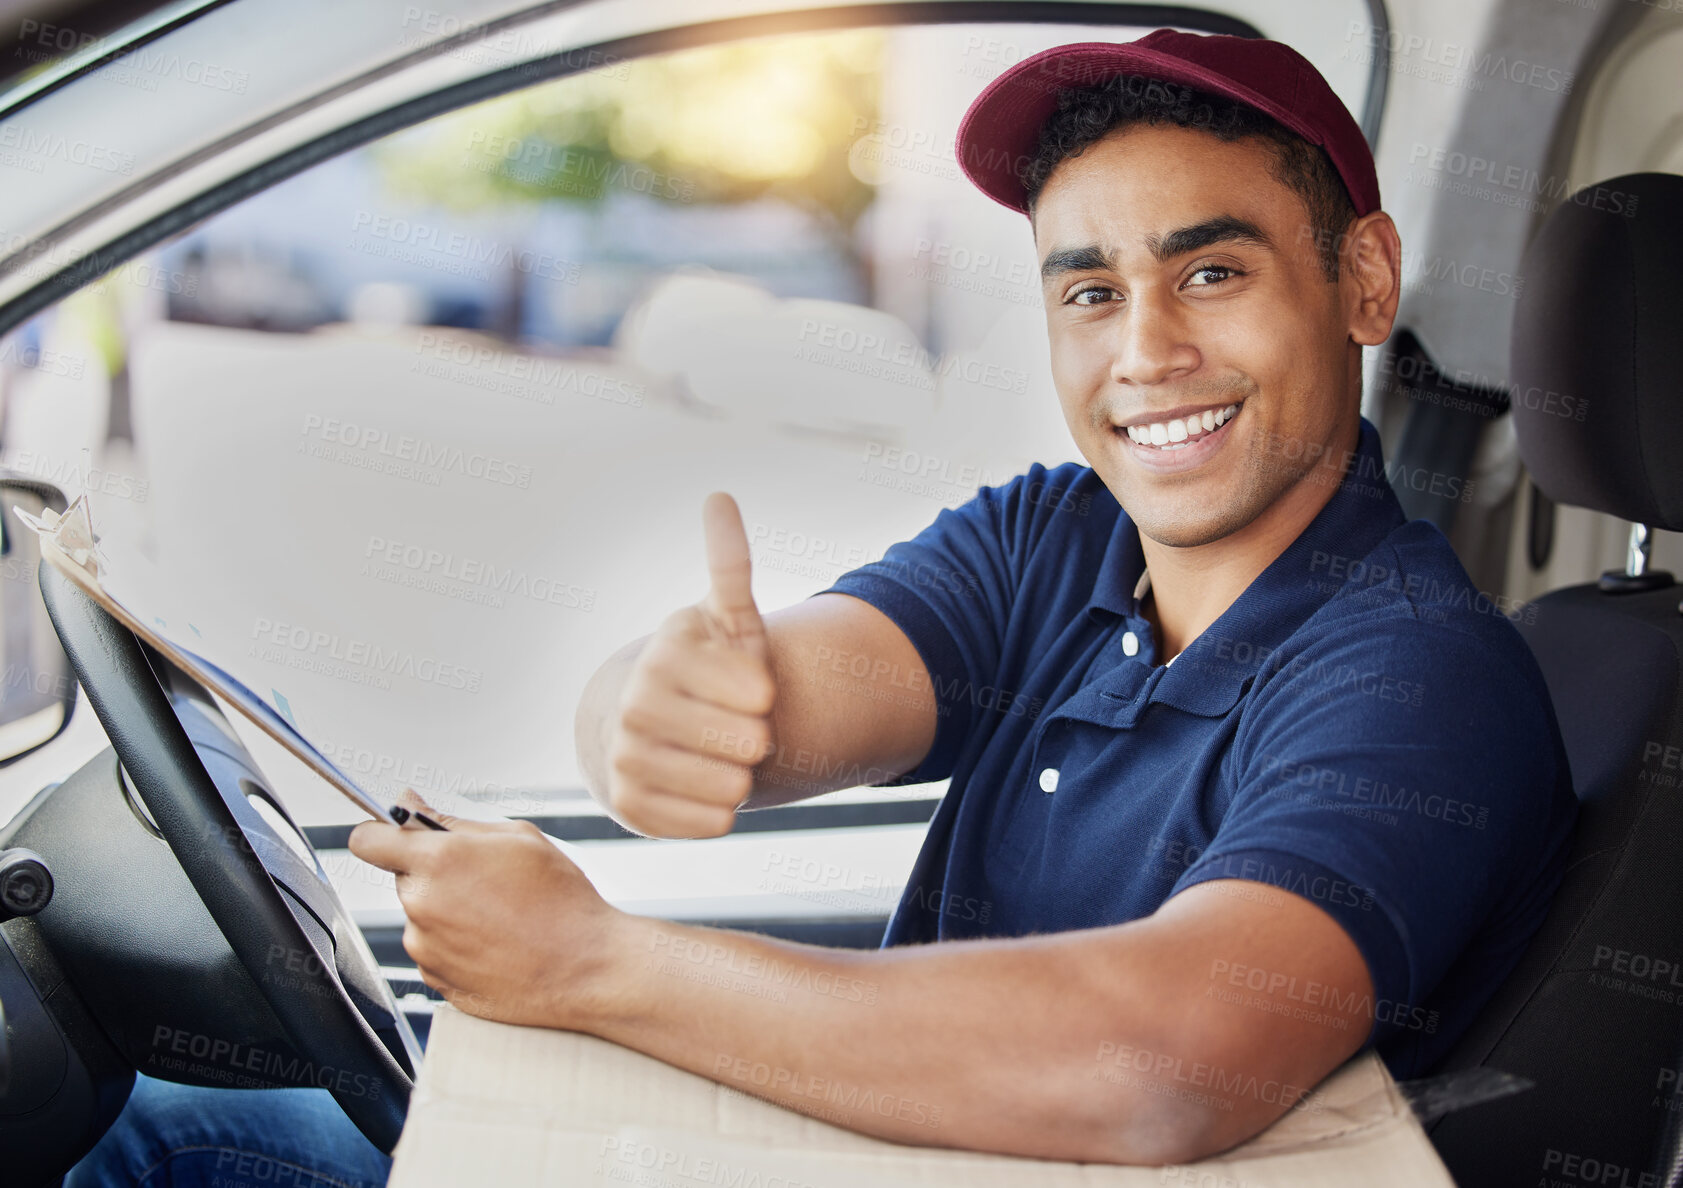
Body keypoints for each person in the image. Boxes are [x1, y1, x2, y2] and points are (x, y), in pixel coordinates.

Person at [69, 27, 1576, 1182]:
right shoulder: (1062, 536)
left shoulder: (1418, 670)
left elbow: (1167, 1059)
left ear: (1365, 282)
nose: (1146, 354)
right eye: (1091, 293)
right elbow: (791, 691)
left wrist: (600, 962)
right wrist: (654, 708)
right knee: (186, 1124)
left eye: (1215, 271)